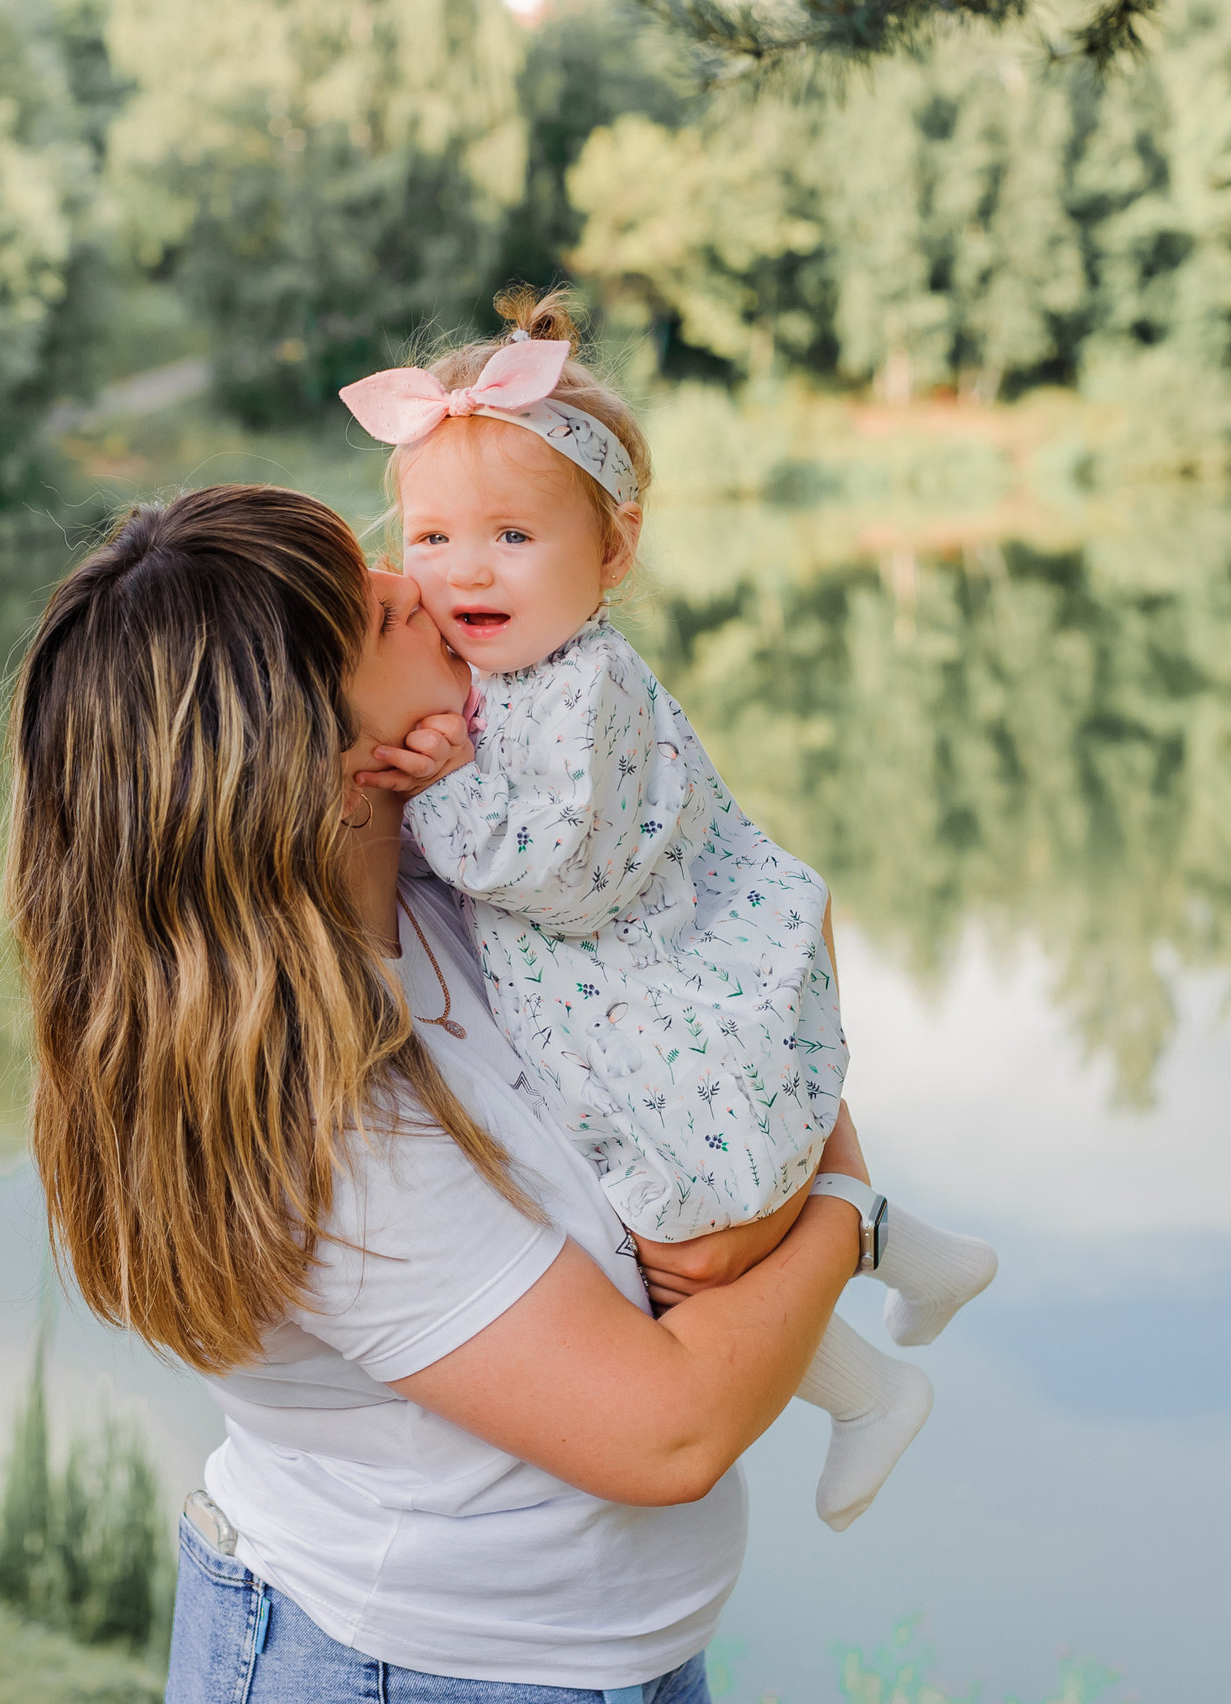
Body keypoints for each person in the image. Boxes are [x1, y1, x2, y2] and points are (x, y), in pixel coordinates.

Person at [6, 482, 886, 1702]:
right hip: (407, 1673)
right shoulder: (324, 1125)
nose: (420, 589)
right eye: (374, 616)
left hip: (584, 1662)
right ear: (321, 758)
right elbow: (669, 1428)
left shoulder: (454, 902)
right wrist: (848, 1204)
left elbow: (754, 965)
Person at [338, 287, 997, 1530]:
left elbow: (557, 867)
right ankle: (901, 1285)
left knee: (682, 1237)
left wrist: (436, 793)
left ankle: (875, 1361)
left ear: (614, 554)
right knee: (684, 1240)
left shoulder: (583, 692)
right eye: (427, 541)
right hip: (616, 993)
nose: (457, 573)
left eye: (510, 539)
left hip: (652, 981)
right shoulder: (499, 678)